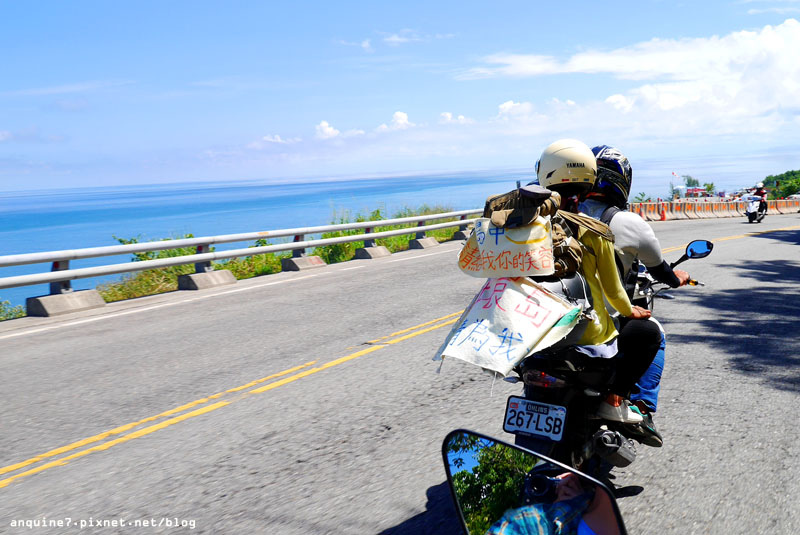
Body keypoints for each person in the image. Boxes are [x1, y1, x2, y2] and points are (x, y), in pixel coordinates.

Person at [533, 139, 662, 424]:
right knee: (650, 333)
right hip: (589, 334)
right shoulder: (596, 231)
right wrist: (630, 310)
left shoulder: (529, 227)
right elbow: (614, 290)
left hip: (535, 332)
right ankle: (615, 399)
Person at [577, 144, 691, 447]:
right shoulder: (628, 222)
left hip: (549, 319)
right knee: (654, 333)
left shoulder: (557, 217)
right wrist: (675, 279)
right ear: (621, 181)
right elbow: (659, 270)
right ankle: (631, 403)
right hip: (598, 322)